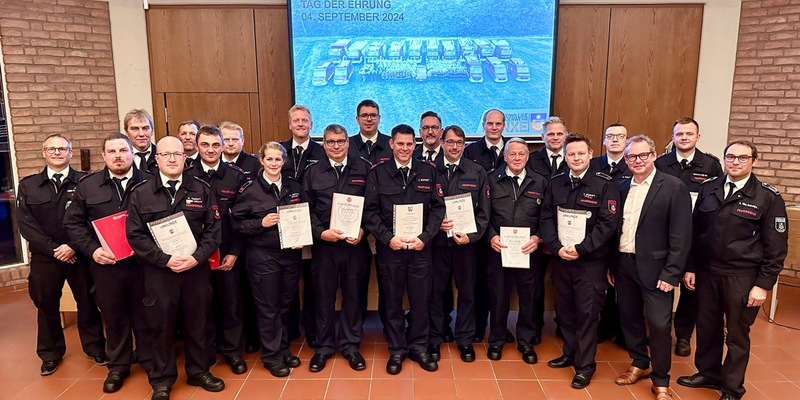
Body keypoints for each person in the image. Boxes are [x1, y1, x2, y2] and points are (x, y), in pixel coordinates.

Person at [677, 140, 788, 400]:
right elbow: (695, 231)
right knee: (706, 327)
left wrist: (763, 285)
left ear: (753, 161)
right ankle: (708, 373)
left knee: (737, 334)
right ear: (724, 159)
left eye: (742, 158)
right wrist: (691, 267)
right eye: (730, 157)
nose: (735, 162)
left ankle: (731, 387)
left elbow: (776, 247)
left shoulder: (767, 197)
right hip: (707, 271)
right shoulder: (709, 188)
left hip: (743, 276)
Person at [127, 136, 224, 400]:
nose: (172, 159)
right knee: (161, 326)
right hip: (159, 273)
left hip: (195, 269)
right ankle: (161, 380)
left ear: (185, 158)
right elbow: (135, 236)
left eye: (177, 154)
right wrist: (164, 260)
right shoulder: (141, 192)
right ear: (156, 158)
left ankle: (199, 371)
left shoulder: (201, 189)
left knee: (199, 323)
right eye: (166, 154)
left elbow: (214, 231)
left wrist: (197, 257)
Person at [63, 132, 151, 392]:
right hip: (106, 266)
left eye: (123, 151)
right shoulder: (88, 187)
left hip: (144, 265)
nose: (118, 156)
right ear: (104, 156)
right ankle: (118, 366)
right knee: (114, 317)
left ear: (132, 153)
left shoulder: (149, 182)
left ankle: (149, 360)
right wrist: (92, 250)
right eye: (112, 152)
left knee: (147, 314)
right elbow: (73, 224)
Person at [17, 133, 107, 376]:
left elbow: (90, 219)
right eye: (52, 149)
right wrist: (53, 249)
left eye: (62, 149)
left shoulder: (86, 182)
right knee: (46, 305)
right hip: (46, 258)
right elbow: (26, 224)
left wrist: (73, 246)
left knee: (88, 303)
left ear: (70, 153)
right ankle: (50, 353)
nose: (57, 153)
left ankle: (95, 347)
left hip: (78, 254)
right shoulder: (29, 185)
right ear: (44, 153)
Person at [611, 135, 692, 400]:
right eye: (632, 156)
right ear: (626, 160)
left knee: (658, 325)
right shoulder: (620, 187)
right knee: (629, 318)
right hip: (624, 264)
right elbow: (615, 230)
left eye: (643, 155)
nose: (637, 160)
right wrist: (612, 265)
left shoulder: (672, 187)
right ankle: (639, 363)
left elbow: (681, 235)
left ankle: (661, 380)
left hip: (658, 270)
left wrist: (672, 272)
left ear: (654, 155)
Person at [540, 133, 620, 389]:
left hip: (590, 263)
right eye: (571, 154)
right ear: (565, 156)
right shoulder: (556, 183)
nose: (575, 158)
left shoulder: (604, 184)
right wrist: (556, 247)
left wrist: (581, 249)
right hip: (562, 259)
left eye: (581, 153)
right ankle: (570, 353)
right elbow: (546, 219)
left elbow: (608, 224)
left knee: (587, 314)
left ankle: (585, 366)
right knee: (565, 311)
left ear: (590, 154)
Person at [364, 124, 445, 375]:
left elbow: (438, 209)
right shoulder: (378, 173)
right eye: (400, 143)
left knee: (421, 300)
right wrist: (388, 238)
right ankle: (397, 349)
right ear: (391, 144)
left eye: (410, 144)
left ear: (415, 145)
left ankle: (419, 347)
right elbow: (370, 212)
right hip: (391, 249)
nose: (405, 148)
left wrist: (425, 237)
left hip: (421, 249)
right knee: (392, 301)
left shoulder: (428, 171)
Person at [231, 142, 304, 378]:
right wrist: (259, 223)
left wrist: (303, 235)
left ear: (284, 161)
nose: (274, 164)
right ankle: (271, 357)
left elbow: (304, 214)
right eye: (269, 159)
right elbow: (237, 224)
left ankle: (283, 350)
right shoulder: (250, 189)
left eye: (278, 159)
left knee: (284, 306)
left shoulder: (293, 186)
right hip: (263, 257)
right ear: (261, 161)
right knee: (268, 309)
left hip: (291, 255)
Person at [303, 124, 372, 372]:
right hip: (325, 247)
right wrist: (321, 233)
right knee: (323, 299)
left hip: (356, 247)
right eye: (330, 142)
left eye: (340, 141)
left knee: (354, 297)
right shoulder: (313, 173)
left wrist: (364, 229)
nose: (336, 146)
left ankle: (351, 346)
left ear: (348, 142)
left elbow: (373, 206)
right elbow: (306, 209)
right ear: (323, 144)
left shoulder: (363, 168)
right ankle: (323, 347)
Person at [654, 117, 724, 357]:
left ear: (697, 137)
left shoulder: (711, 165)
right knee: (660, 285)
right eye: (679, 134)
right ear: (672, 137)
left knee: (691, 289)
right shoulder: (660, 163)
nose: (684, 138)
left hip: (696, 237)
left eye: (689, 134)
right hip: (664, 236)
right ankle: (657, 332)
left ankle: (683, 335)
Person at [187, 126, 247, 375]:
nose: (210, 150)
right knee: (201, 307)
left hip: (227, 253)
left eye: (215, 145)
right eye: (205, 145)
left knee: (231, 304)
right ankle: (206, 352)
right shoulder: (187, 175)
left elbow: (243, 218)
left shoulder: (237, 176)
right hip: (196, 255)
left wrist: (234, 251)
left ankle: (233, 352)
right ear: (197, 146)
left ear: (222, 146)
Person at [428, 125, 490, 363]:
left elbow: (485, 213)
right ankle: (435, 337)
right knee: (435, 292)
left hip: (466, 245)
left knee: (467, 293)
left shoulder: (477, 171)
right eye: (450, 142)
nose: (455, 147)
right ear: (442, 142)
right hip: (438, 245)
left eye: (459, 143)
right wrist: (435, 226)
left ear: (464, 145)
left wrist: (472, 237)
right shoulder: (430, 170)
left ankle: (464, 339)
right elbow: (425, 207)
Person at [485, 137, 547, 364]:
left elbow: (547, 217)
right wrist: (491, 235)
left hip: (528, 251)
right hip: (498, 250)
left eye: (522, 154)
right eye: (513, 154)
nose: (517, 158)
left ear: (528, 156)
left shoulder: (540, 182)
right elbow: (484, 214)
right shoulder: (491, 179)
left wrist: (538, 237)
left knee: (529, 298)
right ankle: (497, 340)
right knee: (498, 297)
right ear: (504, 156)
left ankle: (526, 342)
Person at [280, 105, 325, 346]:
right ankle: (288, 331)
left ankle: (313, 330)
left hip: (313, 223)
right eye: (296, 120)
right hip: (285, 225)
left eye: (304, 121)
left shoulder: (322, 151)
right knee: (287, 280)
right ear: (289, 124)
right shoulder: (279, 150)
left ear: (311, 125)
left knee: (313, 281)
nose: (300, 124)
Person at [462, 108, 508, 343]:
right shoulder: (470, 151)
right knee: (478, 282)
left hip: (504, 228)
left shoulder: (512, 150)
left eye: (498, 124)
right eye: (490, 123)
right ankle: (478, 327)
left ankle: (500, 328)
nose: (494, 127)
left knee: (500, 285)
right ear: (482, 125)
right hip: (478, 229)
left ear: (504, 126)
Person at [218, 120, 261, 354]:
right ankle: (226, 341)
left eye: (236, 139)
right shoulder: (213, 168)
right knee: (227, 296)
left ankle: (252, 336)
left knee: (250, 292)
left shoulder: (254, 164)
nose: (231, 143)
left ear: (243, 141)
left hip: (251, 238)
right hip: (224, 240)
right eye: (227, 139)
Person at [415, 111, 454, 345]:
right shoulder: (412, 157)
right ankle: (422, 324)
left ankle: (442, 325)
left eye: (435, 127)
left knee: (442, 285)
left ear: (441, 132)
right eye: (426, 127)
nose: (430, 131)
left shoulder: (448, 158)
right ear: (420, 132)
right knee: (424, 285)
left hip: (443, 235)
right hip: (418, 235)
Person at [592, 123, 631, 346]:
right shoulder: (594, 164)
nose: (615, 140)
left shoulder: (633, 164)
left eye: (620, 136)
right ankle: (605, 326)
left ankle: (625, 332)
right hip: (598, 236)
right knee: (602, 283)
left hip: (625, 235)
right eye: (610, 136)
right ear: (604, 141)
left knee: (624, 286)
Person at [348, 99, 392, 166]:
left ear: (379, 118)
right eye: (364, 115)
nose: (369, 119)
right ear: (357, 119)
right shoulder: (347, 145)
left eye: (373, 115)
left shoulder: (392, 144)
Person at [124, 109, 158, 175]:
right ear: (126, 132)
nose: (141, 134)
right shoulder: (122, 158)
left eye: (145, 128)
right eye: (135, 129)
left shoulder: (163, 155)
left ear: (152, 131)